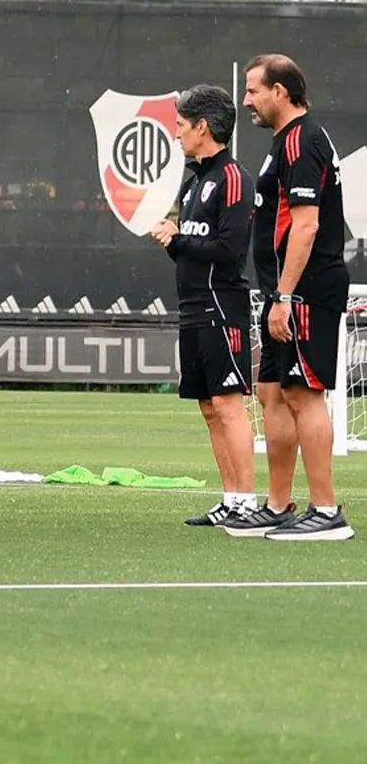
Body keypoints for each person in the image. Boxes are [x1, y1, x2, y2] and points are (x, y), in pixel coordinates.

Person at [236, 54, 352, 541]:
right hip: (282, 291)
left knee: (306, 394)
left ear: (281, 92)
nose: (246, 102)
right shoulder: (283, 143)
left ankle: (326, 513)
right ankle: (279, 506)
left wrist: (284, 294)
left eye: (253, 91)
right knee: (274, 393)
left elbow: (306, 224)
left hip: (305, 289)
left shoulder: (303, 141)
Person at [146, 85, 258, 530]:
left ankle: (248, 502)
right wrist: (173, 241)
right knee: (209, 407)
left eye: (180, 124)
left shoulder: (233, 178)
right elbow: (192, 250)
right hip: (192, 309)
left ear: (202, 127)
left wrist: (180, 238)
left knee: (228, 405)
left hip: (221, 308)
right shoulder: (195, 182)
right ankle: (231, 498)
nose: (176, 133)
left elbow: (231, 250)